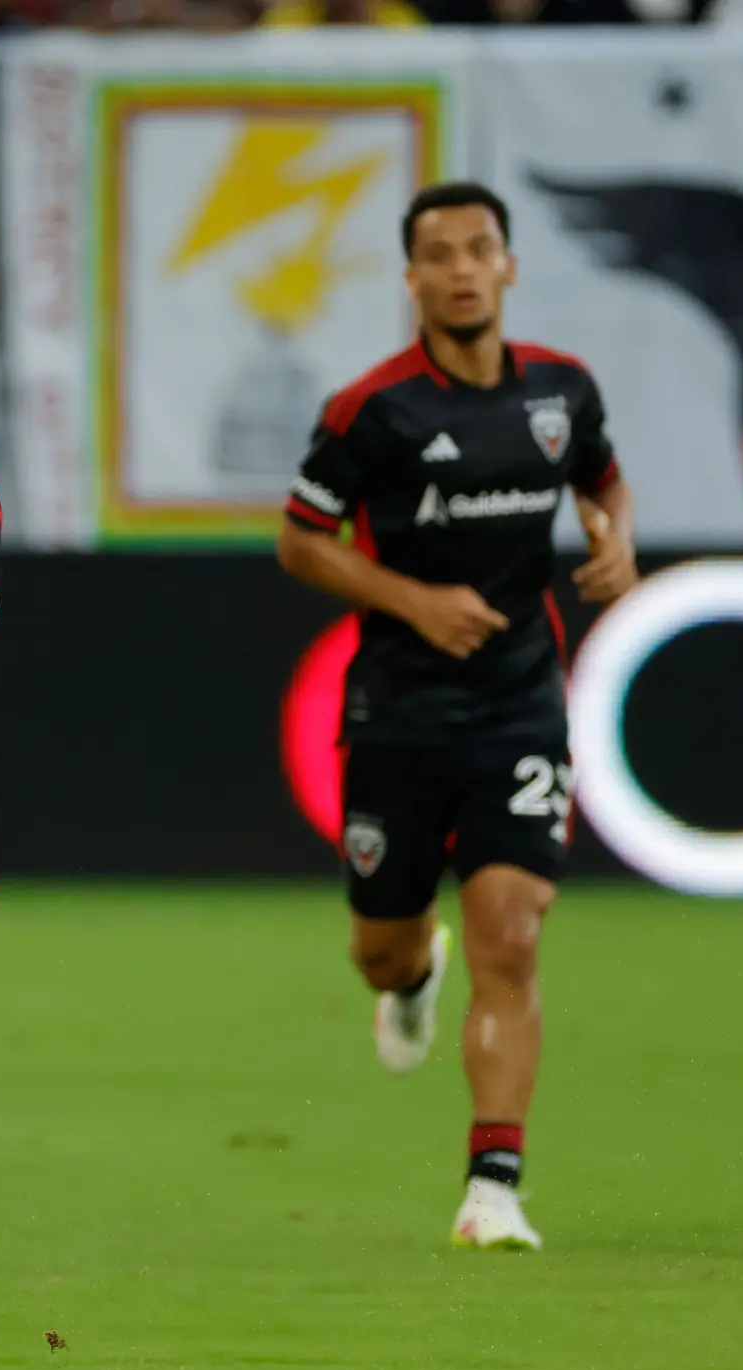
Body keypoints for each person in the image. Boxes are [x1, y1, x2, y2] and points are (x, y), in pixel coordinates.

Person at [275, 181, 639, 1251]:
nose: (462, 268)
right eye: (439, 253)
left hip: (520, 700)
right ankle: (411, 975)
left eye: (480, 248)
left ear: (509, 264)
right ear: (412, 278)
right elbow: (300, 539)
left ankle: (493, 1183)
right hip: (397, 709)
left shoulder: (563, 392)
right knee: (379, 950)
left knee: (514, 938)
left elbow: (605, 483)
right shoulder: (370, 410)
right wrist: (413, 601)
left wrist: (613, 541)